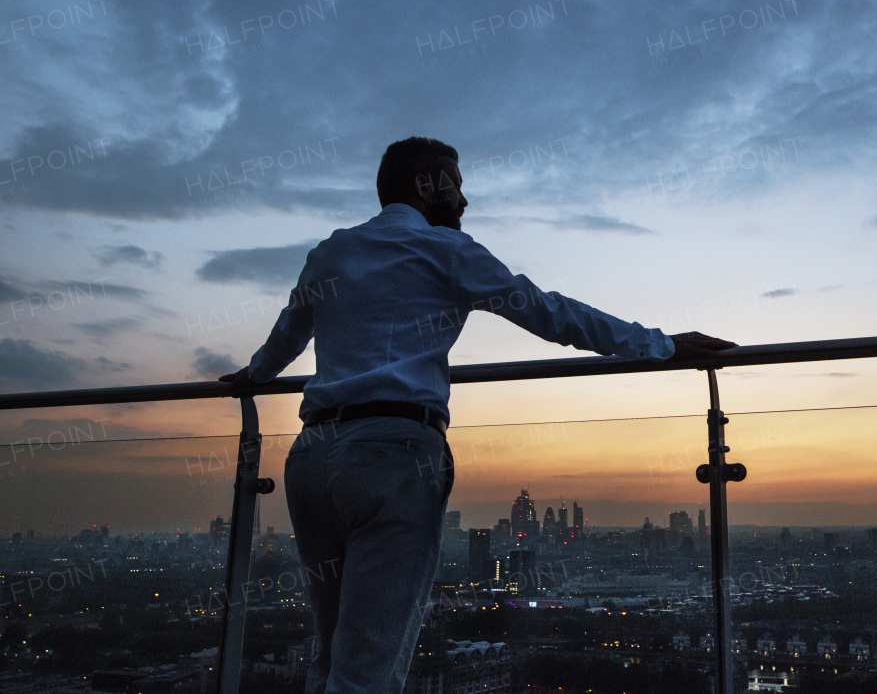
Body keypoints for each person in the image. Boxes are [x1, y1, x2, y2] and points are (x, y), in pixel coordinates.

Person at [220, 136, 735, 694]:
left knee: (331, 652)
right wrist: (661, 345)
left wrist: (251, 378)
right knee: (367, 666)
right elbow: (550, 314)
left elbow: (284, 340)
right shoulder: (447, 250)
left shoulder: (331, 252)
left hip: (312, 458)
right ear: (425, 185)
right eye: (456, 186)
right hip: (392, 455)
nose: (464, 201)